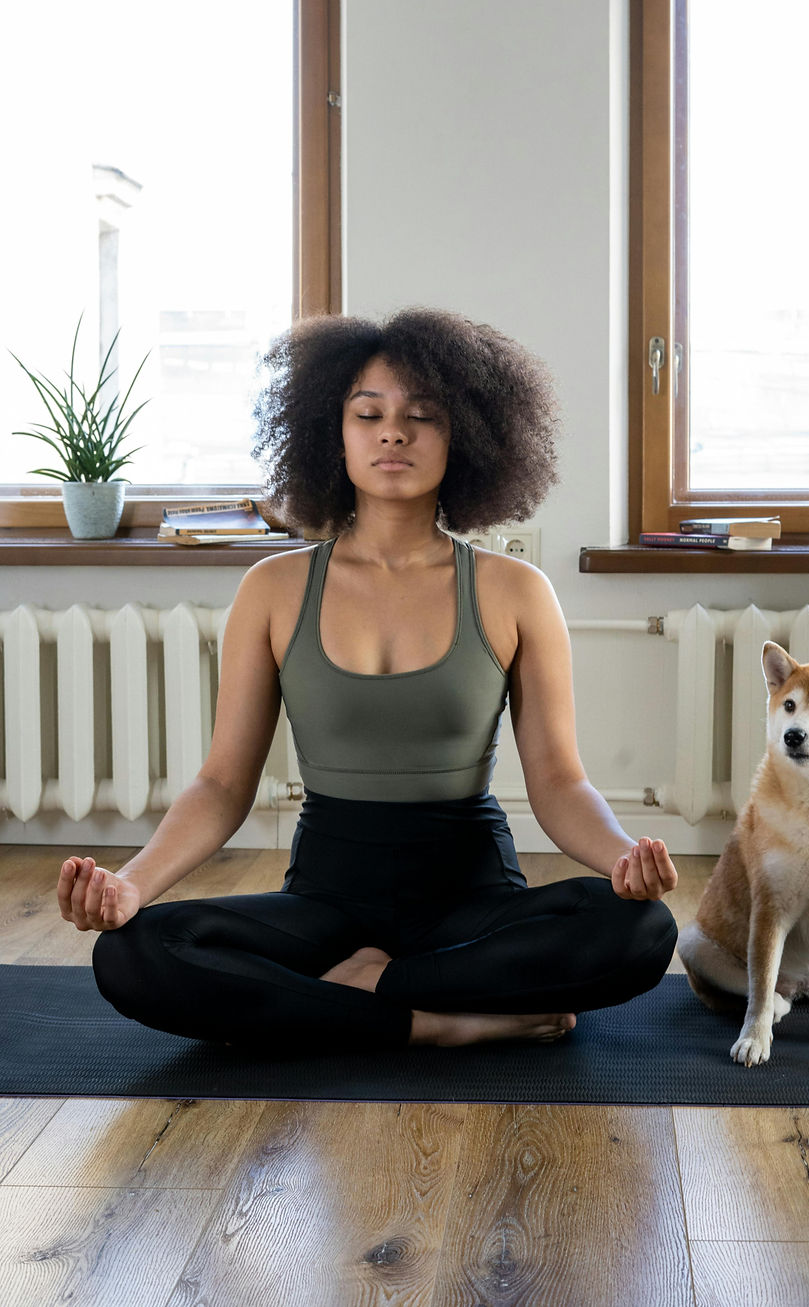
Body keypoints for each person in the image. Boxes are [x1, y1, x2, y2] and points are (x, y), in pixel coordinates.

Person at [58, 307, 679, 1051]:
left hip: (471, 898)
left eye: (422, 416)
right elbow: (223, 785)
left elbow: (558, 782)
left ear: (468, 437)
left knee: (642, 929)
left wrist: (620, 860)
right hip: (326, 900)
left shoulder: (516, 591)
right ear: (333, 432)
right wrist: (129, 886)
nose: (394, 432)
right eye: (369, 414)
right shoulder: (273, 588)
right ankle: (435, 1019)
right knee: (132, 952)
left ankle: (363, 993)